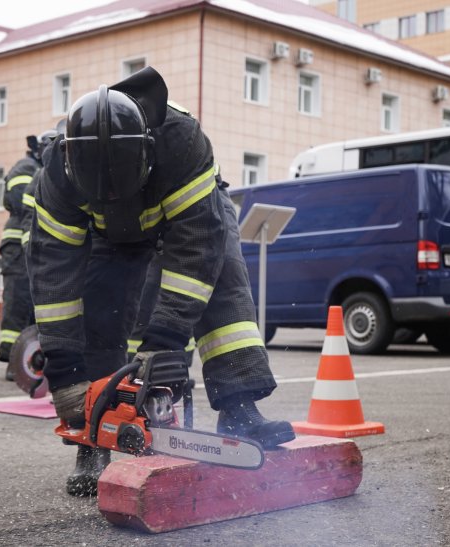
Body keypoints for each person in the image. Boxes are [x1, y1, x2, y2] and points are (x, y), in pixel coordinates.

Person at [26, 67, 294, 496]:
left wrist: (165, 339)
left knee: (222, 282)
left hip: (192, 216)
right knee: (100, 309)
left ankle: (240, 408)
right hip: (109, 236)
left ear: (146, 152)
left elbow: (196, 250)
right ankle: (96, 440)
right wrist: (66, 372)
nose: (113, 193)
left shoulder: (180, 141)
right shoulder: (56, 174)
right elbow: (54, 279)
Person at [0, 131, 56, 380]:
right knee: (19, 303)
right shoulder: (26, 167)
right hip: (17, 245)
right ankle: (13, 360)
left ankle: (30, 359)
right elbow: (19, 202)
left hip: (35, 243)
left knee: (34, 305)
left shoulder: (47, 171)